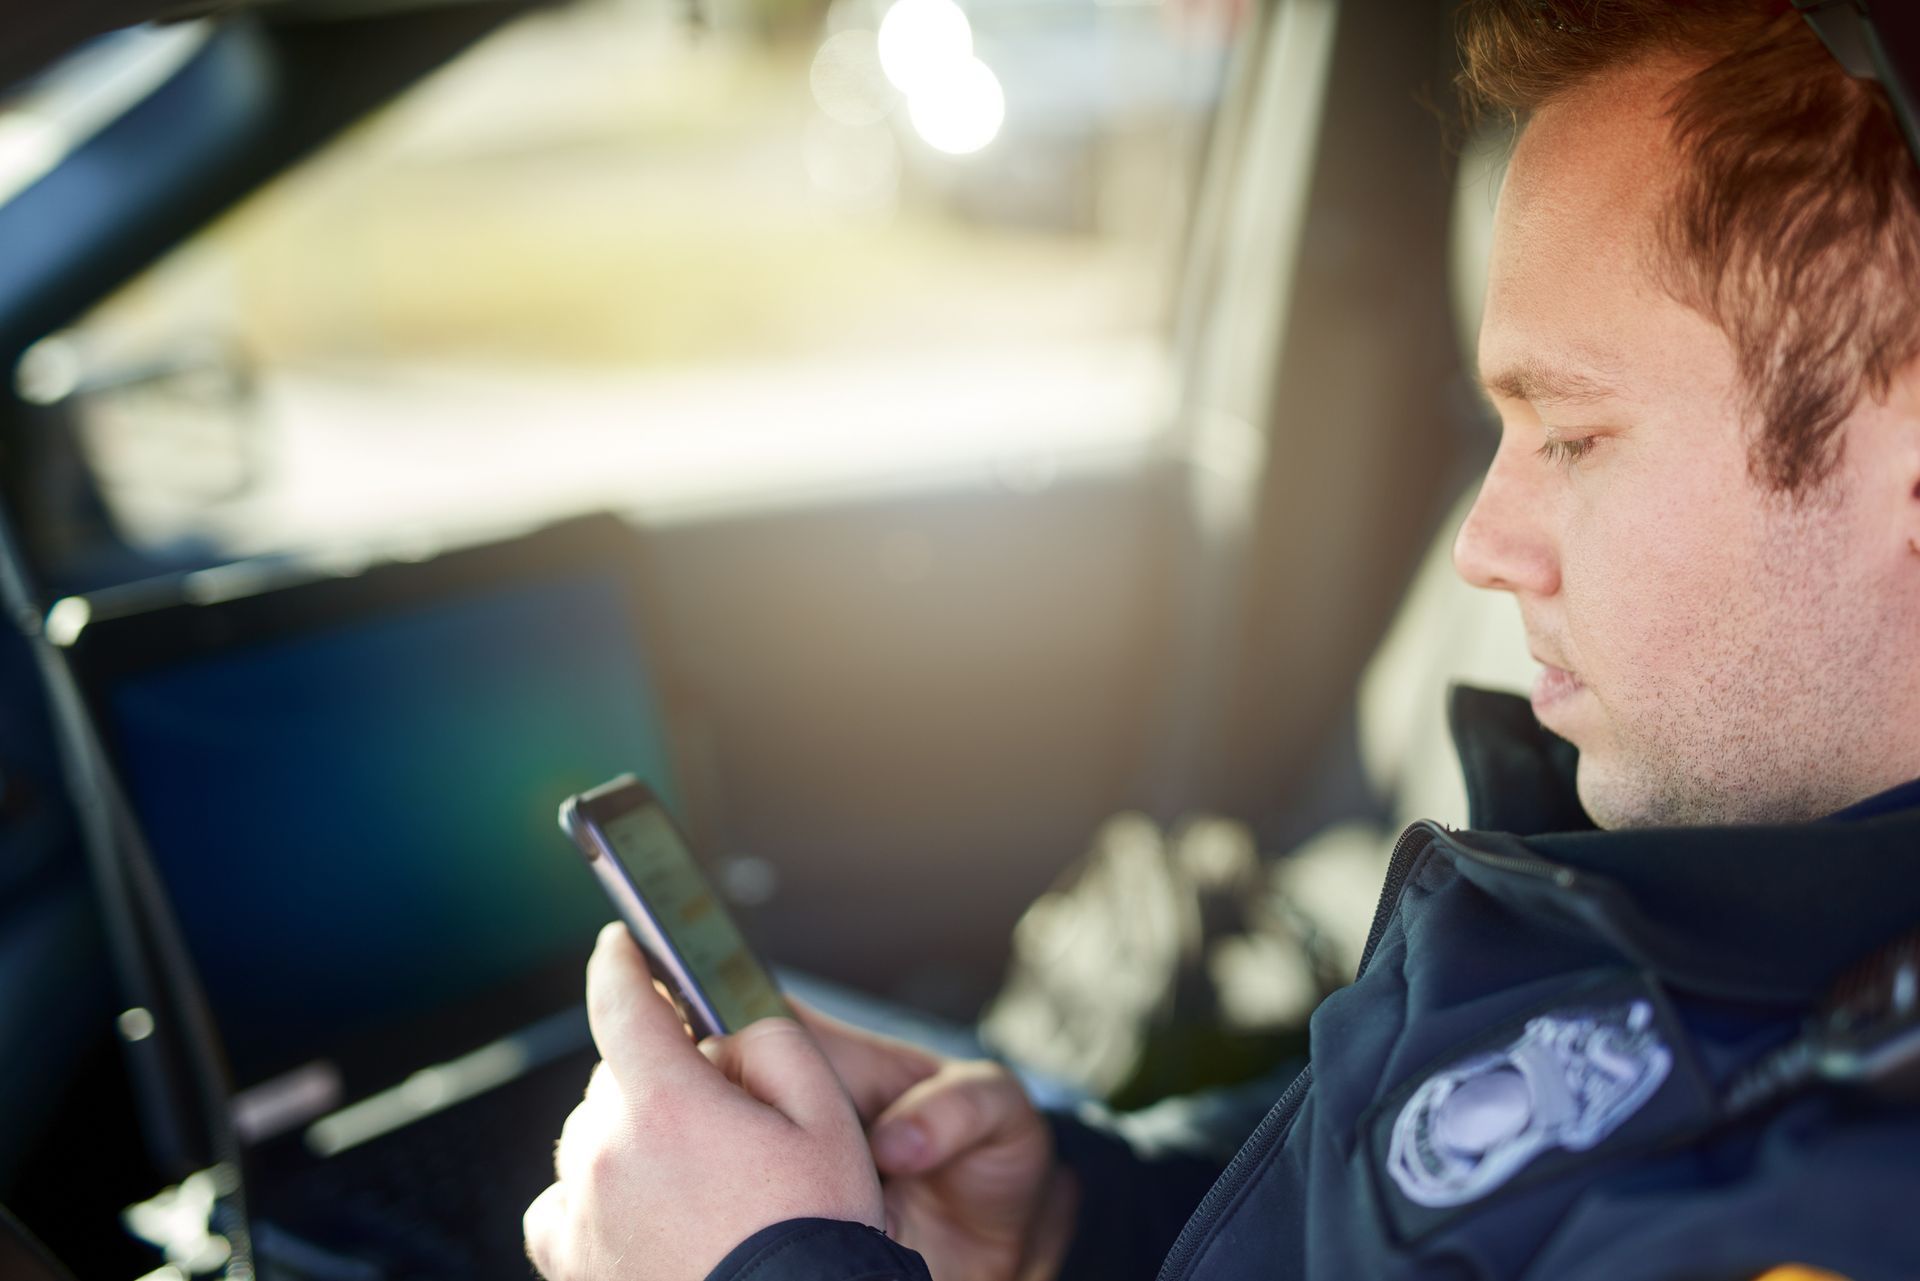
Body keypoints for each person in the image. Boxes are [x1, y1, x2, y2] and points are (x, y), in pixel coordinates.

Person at [521, 2, 1920, 1278]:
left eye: (1573, 434)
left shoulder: (1852, 1182)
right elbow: (1408, 1196)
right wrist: (1073, 1217)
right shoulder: (1689, 884)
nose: (1481, 545)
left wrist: (768, 1266)